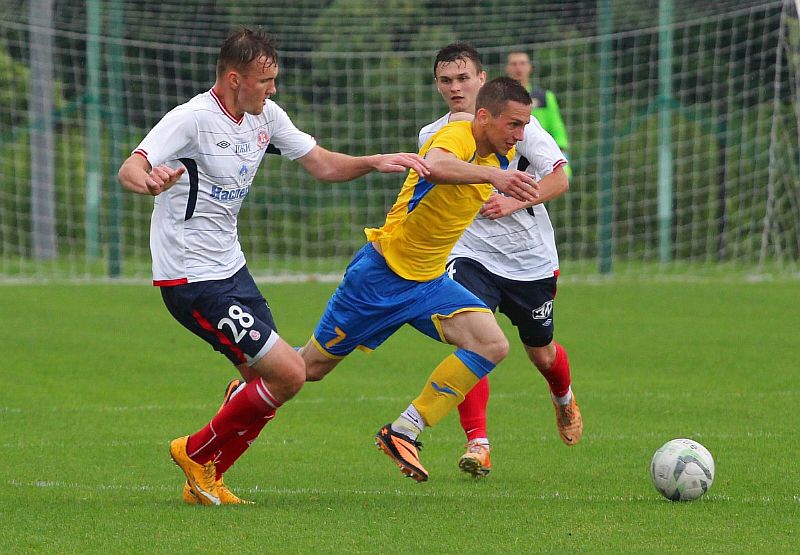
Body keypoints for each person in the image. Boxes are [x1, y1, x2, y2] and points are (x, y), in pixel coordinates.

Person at [117, 27, 430, 505]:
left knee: (270, 384)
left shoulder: (266, 116)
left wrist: (373, 161)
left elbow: (321, 164)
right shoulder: (191, 119)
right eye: (265, 81)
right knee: (289, 373)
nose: (273, 89)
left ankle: (207, 480)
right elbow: (130, 167)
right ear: (235, 79)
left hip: (232, 268)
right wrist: (150, 180)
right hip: (190, 276)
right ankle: (194, 452)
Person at [299, 77, 539, 482]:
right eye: (513, 125)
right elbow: (437, 166)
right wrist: (493, 179)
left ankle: (404, 430)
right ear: (484, 117)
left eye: (524, 126)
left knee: (492, 344)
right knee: (308, 369)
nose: (519, 135)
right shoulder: (457, 137)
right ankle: (251, 382)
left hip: (428, 283)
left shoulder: (500, 153)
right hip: (381, 277)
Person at [420, 43, 581, 478]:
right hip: (469, 254)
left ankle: (564, 398)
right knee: (474, 340)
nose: (455, 88)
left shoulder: (520, 125)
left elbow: (560, 179)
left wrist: (513, 200)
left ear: (482, 79)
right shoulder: (432, 135)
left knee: (542, 354)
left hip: (529, 261)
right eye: (446, 80)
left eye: (463, 78)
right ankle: (478, 444)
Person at [505, 50, 572, 178]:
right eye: (514, 64)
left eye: (522, 63)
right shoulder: (500, 98)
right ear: (507, 68)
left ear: (529, 67)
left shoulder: (544, 97)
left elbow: (557, 127)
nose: (518, 68)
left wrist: (562, 153)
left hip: (540, 153)